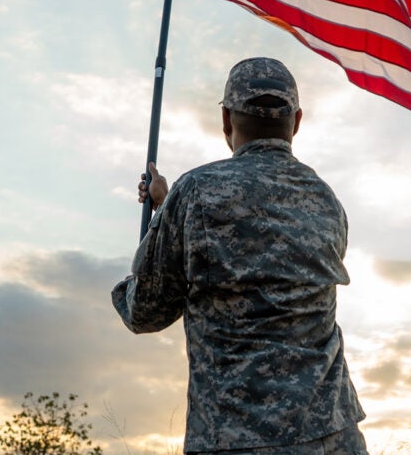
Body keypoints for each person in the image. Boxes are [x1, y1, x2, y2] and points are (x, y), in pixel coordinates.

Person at [112, 57, 367, 455]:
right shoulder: (327, 200)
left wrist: (162, 221)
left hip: (234, 439)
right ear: (296, 121)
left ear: (227, 120)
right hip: (334, 437)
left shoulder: (195, 192)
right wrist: (170, 211)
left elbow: (145, 312)